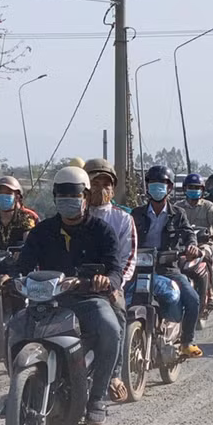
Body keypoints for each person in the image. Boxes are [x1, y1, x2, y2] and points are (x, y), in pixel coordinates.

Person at [16, 166, 123, 425]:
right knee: (15, 327)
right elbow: (22, 265)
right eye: (62, 196)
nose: (68, 201)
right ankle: (18, 392)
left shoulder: (102, 231)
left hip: (89, 299)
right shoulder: (41, 232)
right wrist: (10, 278)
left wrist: (104, 281)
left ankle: (97, 397)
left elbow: (115, 270)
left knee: (110, 328)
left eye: (74, 195)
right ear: (54, 198)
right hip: (48, 301)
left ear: (85, 197)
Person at [131, 165, 205, 358]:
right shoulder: (136, 214)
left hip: (168, 269)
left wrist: (192, 246)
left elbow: (189, 233)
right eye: (153, 184)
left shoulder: (178, 214)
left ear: (170, 188)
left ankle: (187, 341)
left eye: (162, 184)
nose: (157, 188)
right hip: (138, 269)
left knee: (192, 299)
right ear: (147, 187)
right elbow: (126, 237)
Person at [83, 158, 138, 402]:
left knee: (117, 317)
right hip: (74, 284)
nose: (101, 190)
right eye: (95, 184)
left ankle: (114, 375)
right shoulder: (72, 216)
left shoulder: (123, 219)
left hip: (109, 285)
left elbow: (128, 257)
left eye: (106, 184)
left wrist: (115, 285)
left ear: (113, 189)